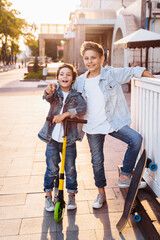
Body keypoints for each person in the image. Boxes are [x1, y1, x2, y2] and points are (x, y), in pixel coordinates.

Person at [45, 41, 155, 210]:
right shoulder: (80, 81)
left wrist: (154, 80)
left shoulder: (111, 73)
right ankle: (101, 193)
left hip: (112, 123)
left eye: (94, 58)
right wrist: (50, 90)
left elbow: (135, 71)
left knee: (135, 139)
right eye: (86, 58)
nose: (90, 62)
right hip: (92, 127)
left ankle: (125, 175)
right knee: (97, 161)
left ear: (102, 58)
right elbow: (63, 86)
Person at [38, 63, 86, 212]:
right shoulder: (55, 93)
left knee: (70, 169)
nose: (65, 77)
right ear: (57, 78)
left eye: (68, 75)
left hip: (69, 139)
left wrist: (65, 114)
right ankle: (48, 196)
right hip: (52, 138)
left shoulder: (76, 96)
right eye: (62, 74)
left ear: (73, 79)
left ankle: (71, 195)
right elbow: (47, 96)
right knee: (52, 168)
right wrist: (48, 90)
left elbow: (82, 108)